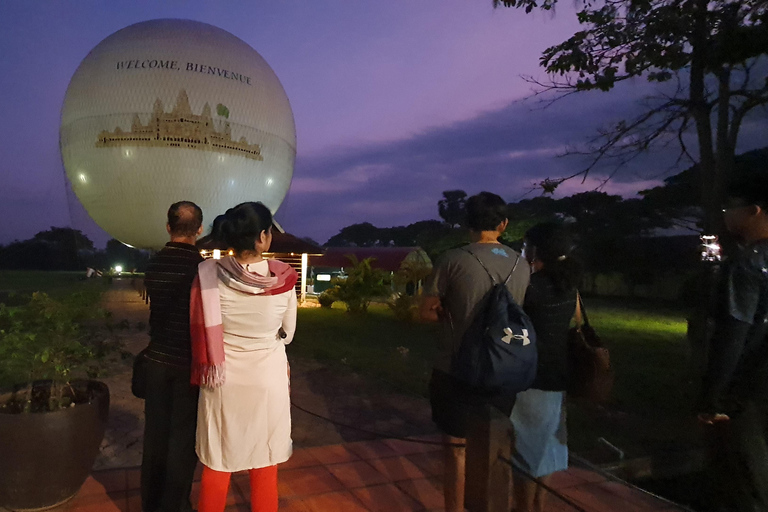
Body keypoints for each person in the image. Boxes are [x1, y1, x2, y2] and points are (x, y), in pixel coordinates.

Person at [420, 191, 530, 512]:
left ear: (466, 223)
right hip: (504, 370)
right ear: (504, 224)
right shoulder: (522, 265)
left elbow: (425, 312)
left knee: (457, 448)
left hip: (455, 370)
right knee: (496, 447)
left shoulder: (452, 260)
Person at [190, 202, 298, 512]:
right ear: (263, 237)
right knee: (264, 459)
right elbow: (287, 333)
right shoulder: (284, 279)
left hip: (223, 379)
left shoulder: (209, 273)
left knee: (218, 461)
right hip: (267, 379)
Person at [697, 174, 768, 511]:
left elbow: (733, 334)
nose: (725, 213)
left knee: (744, 476)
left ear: (754, 211)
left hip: (749, 387)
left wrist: (712, 398)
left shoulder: (747, 263)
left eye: (731, 207)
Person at [510, 222, 581, 512]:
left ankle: (525, 508)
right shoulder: (568, 283)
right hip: (558, 375)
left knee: (526, 451)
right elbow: (575, 319)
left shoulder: (531, 285)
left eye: (526, 245)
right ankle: (538, 505)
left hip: (531, 377)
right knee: (547, 449)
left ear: (536, 250)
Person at [141, 201, 204, 512]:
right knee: (182, 439)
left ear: (168, 227)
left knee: (154, 434)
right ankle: (174, 505)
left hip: (156, 360)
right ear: (200, 230)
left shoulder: (154, 265)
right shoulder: (204, 269)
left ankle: (150, 503)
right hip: (187, 364)